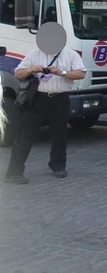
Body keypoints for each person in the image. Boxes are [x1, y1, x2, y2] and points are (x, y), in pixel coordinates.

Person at [5, 22, 86, 184]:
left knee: (59, 134)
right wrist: (31, 70)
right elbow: (18, 73)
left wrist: (62, 72)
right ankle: (14, 172)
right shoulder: (34, 54)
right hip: (37, 99)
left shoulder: (70, 54)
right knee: (25, 135)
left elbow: (81, 73)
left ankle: (58, 166)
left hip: (60, 99)